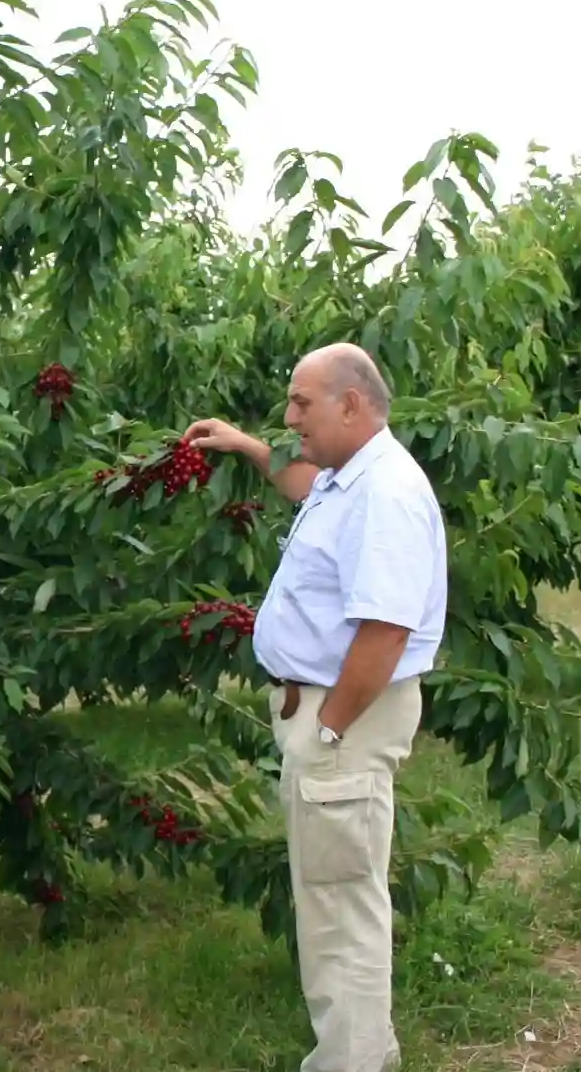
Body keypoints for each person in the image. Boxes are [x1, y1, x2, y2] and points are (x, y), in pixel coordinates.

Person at [184, 341, 447, 1072]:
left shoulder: (385, 494)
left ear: (350, 404)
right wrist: (247, 447)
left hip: (344, 722)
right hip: (334, 718)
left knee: (339, 909)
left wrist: (328, 731)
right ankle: (366, 1051)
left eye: (302, 403)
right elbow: (304, 486)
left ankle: (350, 1063)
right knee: (337, 897)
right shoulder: (349, 478)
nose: (291, 416)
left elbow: (385, 630)